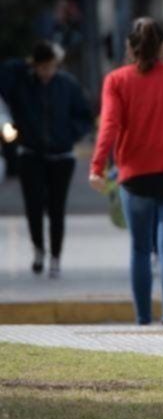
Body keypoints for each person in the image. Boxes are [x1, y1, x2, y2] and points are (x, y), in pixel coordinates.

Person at [89, 18, 163, 326]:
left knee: (140, 249)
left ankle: (143, 318)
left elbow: (109, 126)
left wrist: (97, 167)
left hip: (136, 176)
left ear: (129, 48)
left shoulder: (116, 80)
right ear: (160, 47)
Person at [0, 42, 92, 279]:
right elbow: (4, 76)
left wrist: (69, 135)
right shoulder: (22, 84)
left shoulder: (67, 85)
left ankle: (56, 256)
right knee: (33, 207)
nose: (46, 72)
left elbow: (84, 115)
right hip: (31, 154)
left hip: (62, 156)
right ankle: (39, 248)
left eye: (50, 67)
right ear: (35, 65)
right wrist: (25, 64)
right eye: (42, 67)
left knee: (56, 208)